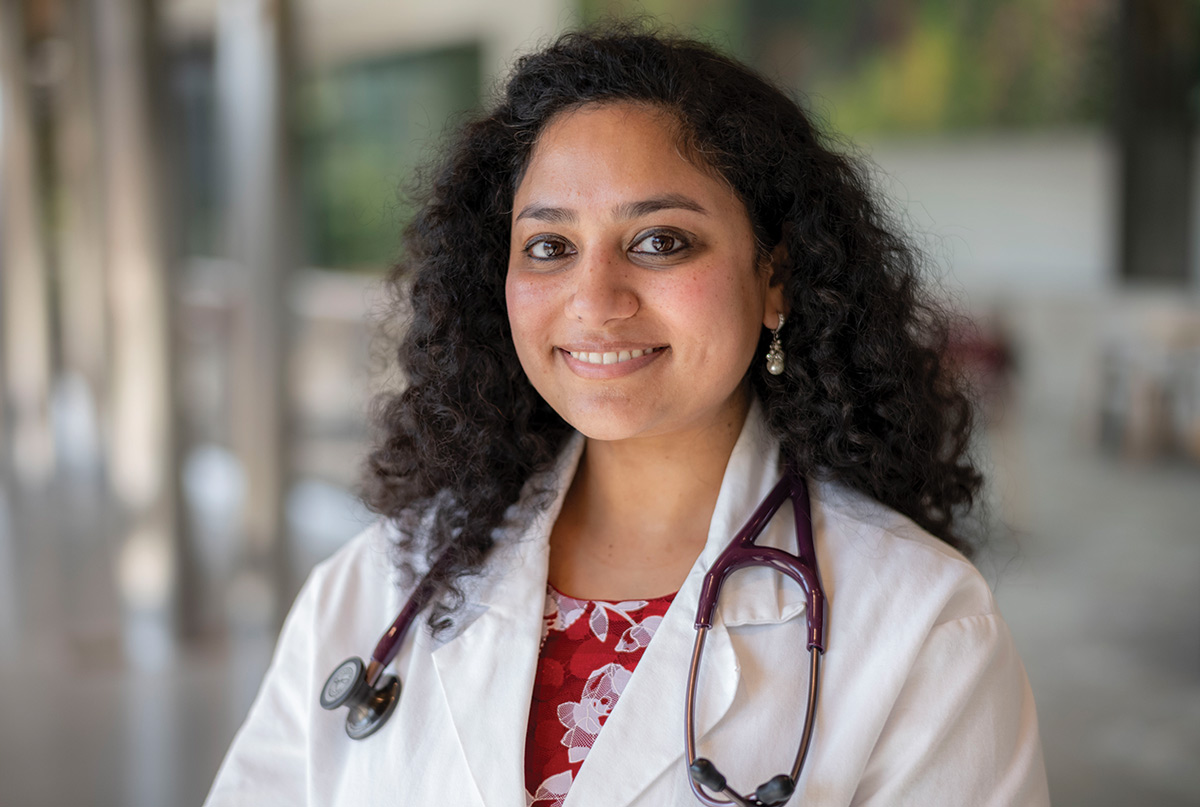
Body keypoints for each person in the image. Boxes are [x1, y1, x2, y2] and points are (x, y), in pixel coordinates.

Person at [204, 26, 1049, 807]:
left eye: (659, 241)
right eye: (550, 246)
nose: (595, 301)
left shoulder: (924, 627)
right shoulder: (374, 585)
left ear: (776, 276)